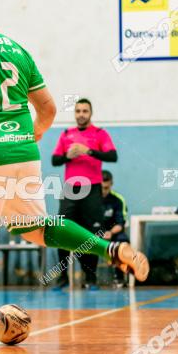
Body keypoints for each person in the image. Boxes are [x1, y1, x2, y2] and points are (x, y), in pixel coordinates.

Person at [0, 5, 149, 348]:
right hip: (24, 153)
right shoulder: (16, 48)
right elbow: (48, 109)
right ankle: (109, 247)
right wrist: (33, 135)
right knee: (38, 229)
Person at [51, 98, 117, 290]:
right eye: (78, 111)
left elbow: (112, 156)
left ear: (91, 113)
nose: (81, 114)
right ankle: (63, 278)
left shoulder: (99, 134)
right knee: (61, 230)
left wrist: (88, 151)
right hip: (71, 189)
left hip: (92, 189)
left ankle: (90, 278)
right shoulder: (66, 134)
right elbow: (55, 160)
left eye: (85, 111)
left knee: (90, 234)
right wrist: (67, 157)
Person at [100, 170, 130, 287]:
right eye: (101, 187)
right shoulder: (90, 200)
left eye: (106, 188)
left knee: (122, 242)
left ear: (111, 184)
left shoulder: (118, 200)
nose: (104, 191)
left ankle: (119, 276)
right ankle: (89, 278)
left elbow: (120, 223)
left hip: (113, 233)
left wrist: (110, 232)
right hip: (94, 232)